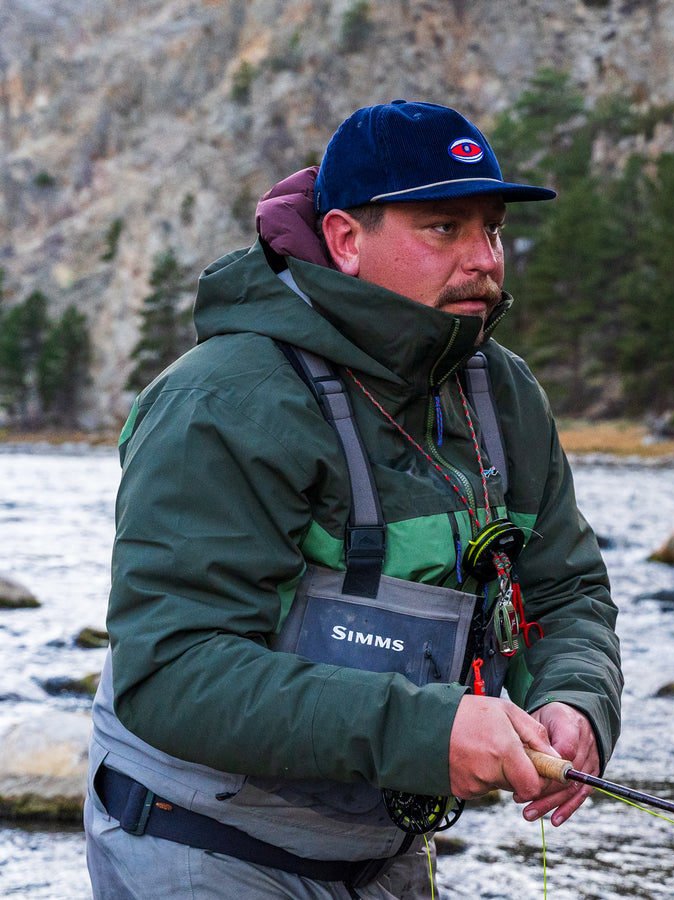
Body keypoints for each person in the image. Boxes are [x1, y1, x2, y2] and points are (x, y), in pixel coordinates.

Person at [85, 100, 623, 899]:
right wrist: (428, 730)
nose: (485, 260)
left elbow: (565, 591)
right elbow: (173, 671)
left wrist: (575, 699)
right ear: (345, 240)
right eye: (445, 228)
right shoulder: (223, 401)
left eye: (494, 230)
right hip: (199, 842)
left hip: (383, 857)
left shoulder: (504, 394)